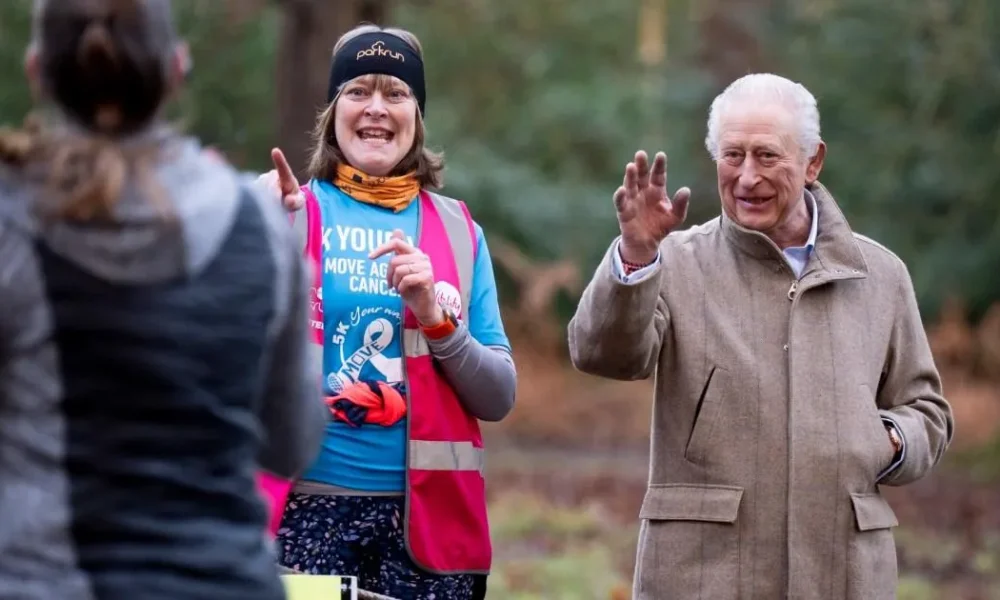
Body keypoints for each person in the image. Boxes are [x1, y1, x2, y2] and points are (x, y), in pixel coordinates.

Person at [568, 73, 954, 600]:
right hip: (702, 577)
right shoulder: (674, 262)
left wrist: (883, 440)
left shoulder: (880, 275)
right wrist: (635, 255)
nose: (747, 177)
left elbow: (926, 411)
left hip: (843, 574)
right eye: (733, 155)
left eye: (767, 156)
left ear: (813, 162)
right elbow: (602, 355)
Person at [0, 0, 326, 598]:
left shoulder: (12, 219)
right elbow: (292, 442)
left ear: (37, 71)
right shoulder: (260, 225)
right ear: (177, 67)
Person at [256, 22, 517, 600]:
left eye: (395, 92)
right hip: (302, 519)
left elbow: (498, 397)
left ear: (417, 116)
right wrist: (247, 235)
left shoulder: (459, 231)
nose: (376, 107)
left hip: (431, 529)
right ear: (333, 112)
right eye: (358, 90)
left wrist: (437, 319)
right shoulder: (286, 212)